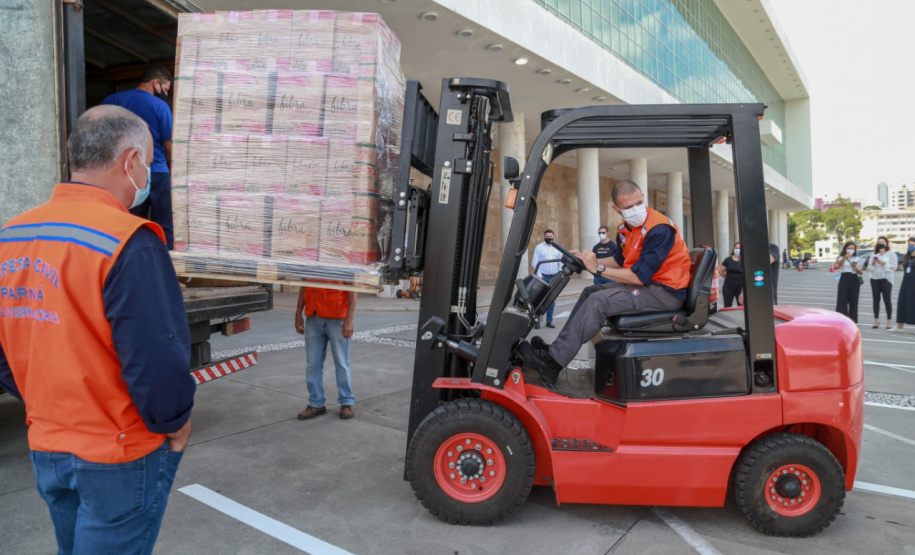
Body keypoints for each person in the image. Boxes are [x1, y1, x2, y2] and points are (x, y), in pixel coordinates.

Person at [0, 105, 195, 555]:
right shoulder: (128, 240)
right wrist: (176, 422)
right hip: (117, 452)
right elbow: (156, 357)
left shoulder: (13, 234)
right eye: (149, 161)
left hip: (47, 445)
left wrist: (45, 404)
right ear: (131, 161)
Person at [520, 180, 691, 385]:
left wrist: (597, 269)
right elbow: (619, 260)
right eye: (629, 207)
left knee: (598, 302)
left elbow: (639, 277)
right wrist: (586, 261)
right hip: (649, 286)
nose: (636, 209)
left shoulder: (659, 229)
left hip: (666, 292)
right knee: (590, 292)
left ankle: (552, 364)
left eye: (639, 203)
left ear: (643, 197)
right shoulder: (625, 228)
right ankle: (556, 349)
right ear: (617, 209)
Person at [101, 65, 175, 249]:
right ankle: (166, 261)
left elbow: (99, 136)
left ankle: (132, 258)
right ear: (156, 83)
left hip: (127, 174)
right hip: (157, 173)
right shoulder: (160, 106)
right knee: (164, 224)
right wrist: (174, 171)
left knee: (130, 223)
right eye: (165, 89)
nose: (165, 94)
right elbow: (169, 145)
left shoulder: (111, 101)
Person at [294, 285, 357, 420]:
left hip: (337, 317)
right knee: (312, 363)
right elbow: (304, 287)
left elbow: (352, 289)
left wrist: (349, 320)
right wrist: (298, 313)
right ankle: (316, 403)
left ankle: (346, 402)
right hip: (313, 318)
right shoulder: (309, 270)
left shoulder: (344, 269)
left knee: (341, 362)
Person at [530, 229, 561, 329]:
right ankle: (537, 321)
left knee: (551, 300)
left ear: (553, 237)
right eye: (547, 237)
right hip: (543, 277)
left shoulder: (557, 248)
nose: (549, 238)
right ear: (544, 237)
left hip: (554, 277)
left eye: (551, 237)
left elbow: (561, 262)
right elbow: (535, 262)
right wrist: (539, 274)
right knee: (539, 299)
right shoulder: (539, 247)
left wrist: (559, 273)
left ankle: (549, 321)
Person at [866, 236, 895, 329]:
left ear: (886, 243)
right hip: (874, 279)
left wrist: (884, 263)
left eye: (883, 242)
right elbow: (869, 268)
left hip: (886, 278)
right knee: (876, 300)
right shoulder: (873, 254)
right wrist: (873, 263)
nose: (881, 244)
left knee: (887, 300)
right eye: (879, 242)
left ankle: (889, 321)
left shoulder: (891, 253)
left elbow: (894, 267)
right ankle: (876, 320)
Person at [889, 237, 915, 333]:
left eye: (912, 245)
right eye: (909, 245)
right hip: (906, 283)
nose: (910, 247)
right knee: (902, 303)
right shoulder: (907, 257)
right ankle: (900, 326)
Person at [834, 241, 863, 323]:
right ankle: (841, 320)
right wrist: (845, 257)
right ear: (845, 249)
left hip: (854, 278)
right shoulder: (840, 257)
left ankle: (853, 320)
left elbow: (861, 272)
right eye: (849, 248)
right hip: (844, 277)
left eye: (853, 249)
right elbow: (839, 265)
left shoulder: (857, 258)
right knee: (842, 299)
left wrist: (857, 269)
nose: (851, 250)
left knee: (854, 300)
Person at [719, 242, 743, 308]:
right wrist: (728, 277)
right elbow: (721, 272)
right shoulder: (728, 260)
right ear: (734, 249)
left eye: (739, 248)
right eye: (736, 248)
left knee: (741, 306)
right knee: (727, 306)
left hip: (740, 288)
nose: (738, 250)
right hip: (728, 287)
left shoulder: (744, 261)